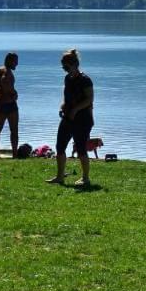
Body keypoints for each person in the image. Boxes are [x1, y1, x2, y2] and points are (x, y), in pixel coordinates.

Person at [47, 49, 95, 188]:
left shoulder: (85, 80)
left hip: (83, 119)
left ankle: (85, 178)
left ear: (74, 64)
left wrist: (75, 110)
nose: (64, 69)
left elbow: (89, 100)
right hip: (68, 117)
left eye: (65, 66)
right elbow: (67, 97)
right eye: (63, 66)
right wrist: (63, 106)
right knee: (60, 146)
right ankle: (60, 176)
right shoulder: (67, 79)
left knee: (81, 148)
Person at [0, 52, 20, 159]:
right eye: (15, 61)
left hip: (1, 104)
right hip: (10, 105)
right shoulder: (6, 72)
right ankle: (14, 154)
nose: (17, 64)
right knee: (14, 130)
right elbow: (4, 81)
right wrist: (10, 95)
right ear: (10, 61)